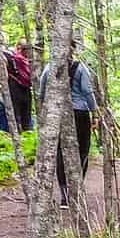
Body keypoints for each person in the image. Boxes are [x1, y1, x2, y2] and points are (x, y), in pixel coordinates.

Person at [36, 41, 96, 206]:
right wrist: (95, 112)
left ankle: (64, 194)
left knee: (60, 152)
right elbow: (88, 92)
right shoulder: (80, 68)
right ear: (73, 50)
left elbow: (41, 92)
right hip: (80, 113)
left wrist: (45, 112)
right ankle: (76, 189)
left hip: (58, 113)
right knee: (83, 150)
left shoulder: (50, 68)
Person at [5, 44, 34, 133]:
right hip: (17, 89)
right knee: (19, 115)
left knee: (24, 115)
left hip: (24, 89)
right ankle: (19, 133)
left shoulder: (20, 60)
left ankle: (24, 134)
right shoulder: (16, 59)